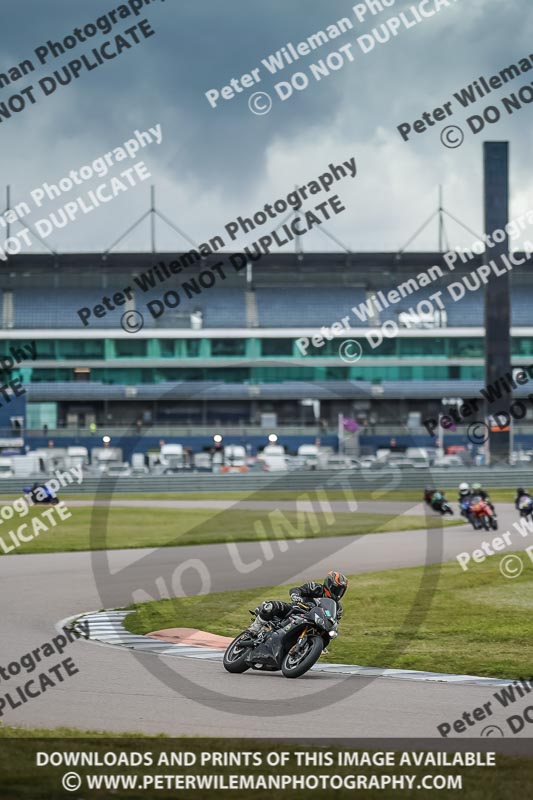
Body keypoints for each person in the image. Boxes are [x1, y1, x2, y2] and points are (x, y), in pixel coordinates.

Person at [247, 571, 348, 634]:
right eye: (336, 589)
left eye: (341, 591)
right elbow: (297, 590)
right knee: (271, 606)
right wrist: (296, 596)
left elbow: (334, 622)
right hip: (296, 610)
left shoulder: (337, 608)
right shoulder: (316, 588)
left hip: (312, 622)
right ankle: (252, 630)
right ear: (329, 584)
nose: (338, 593)